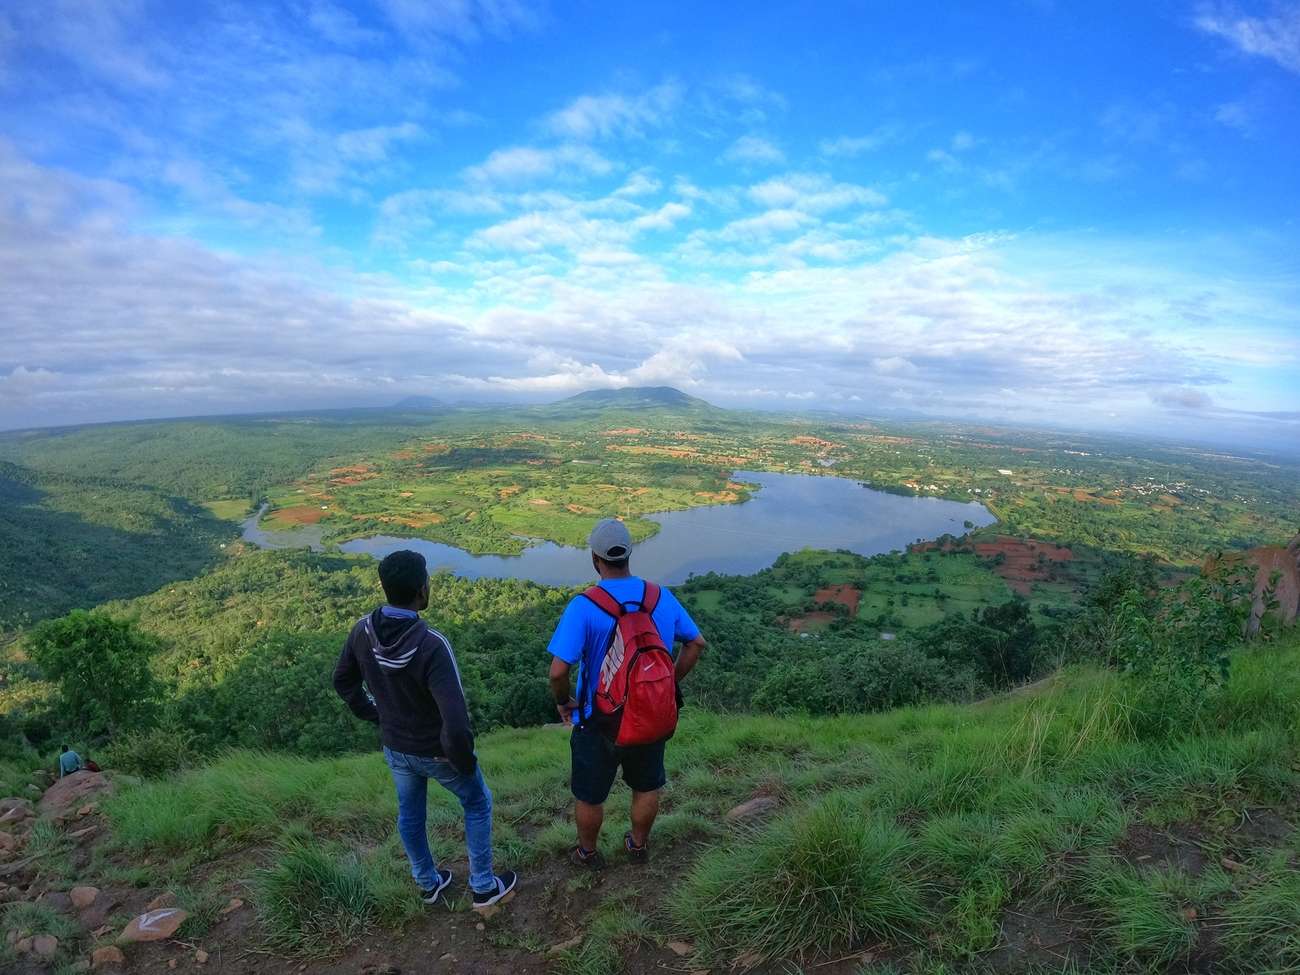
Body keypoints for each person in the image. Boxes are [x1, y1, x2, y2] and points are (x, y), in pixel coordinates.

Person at [333, 550, 517, 912]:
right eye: (428, 581)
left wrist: (375, 715)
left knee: (410, 814)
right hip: (436, 750)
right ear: (421, 590)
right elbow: (456, 718)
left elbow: (343, 681)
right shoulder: (432, 645)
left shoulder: (363, 631)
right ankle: (482, 886)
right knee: (477, 803)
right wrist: (462, 760)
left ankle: (427, 882)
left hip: (397, 747)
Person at [547, 519, 707, 868]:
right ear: (630, 554)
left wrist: (564, 703)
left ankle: (587, 854)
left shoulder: (585, 605)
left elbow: (558, 671)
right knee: (646, 786)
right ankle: (637, 846)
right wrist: (667, 686)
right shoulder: (659, 597)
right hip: (650, 714)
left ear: (595, 559)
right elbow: (696, 643)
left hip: (598, 721)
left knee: (590, 795)